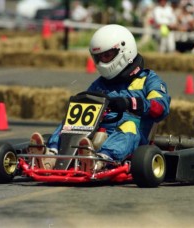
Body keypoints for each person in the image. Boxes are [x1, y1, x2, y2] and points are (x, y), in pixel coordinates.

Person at [31, 24, 171, 171]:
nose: (102, 61)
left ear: (124, 50)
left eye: (107, 56)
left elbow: (161, 107)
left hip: (133, 135)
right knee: (70, 122)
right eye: (99, 57)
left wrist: (130, 103)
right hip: (96, 132)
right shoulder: (100, 84)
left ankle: (100, 160)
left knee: (128, 126)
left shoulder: (149, 80)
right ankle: (51, 155)